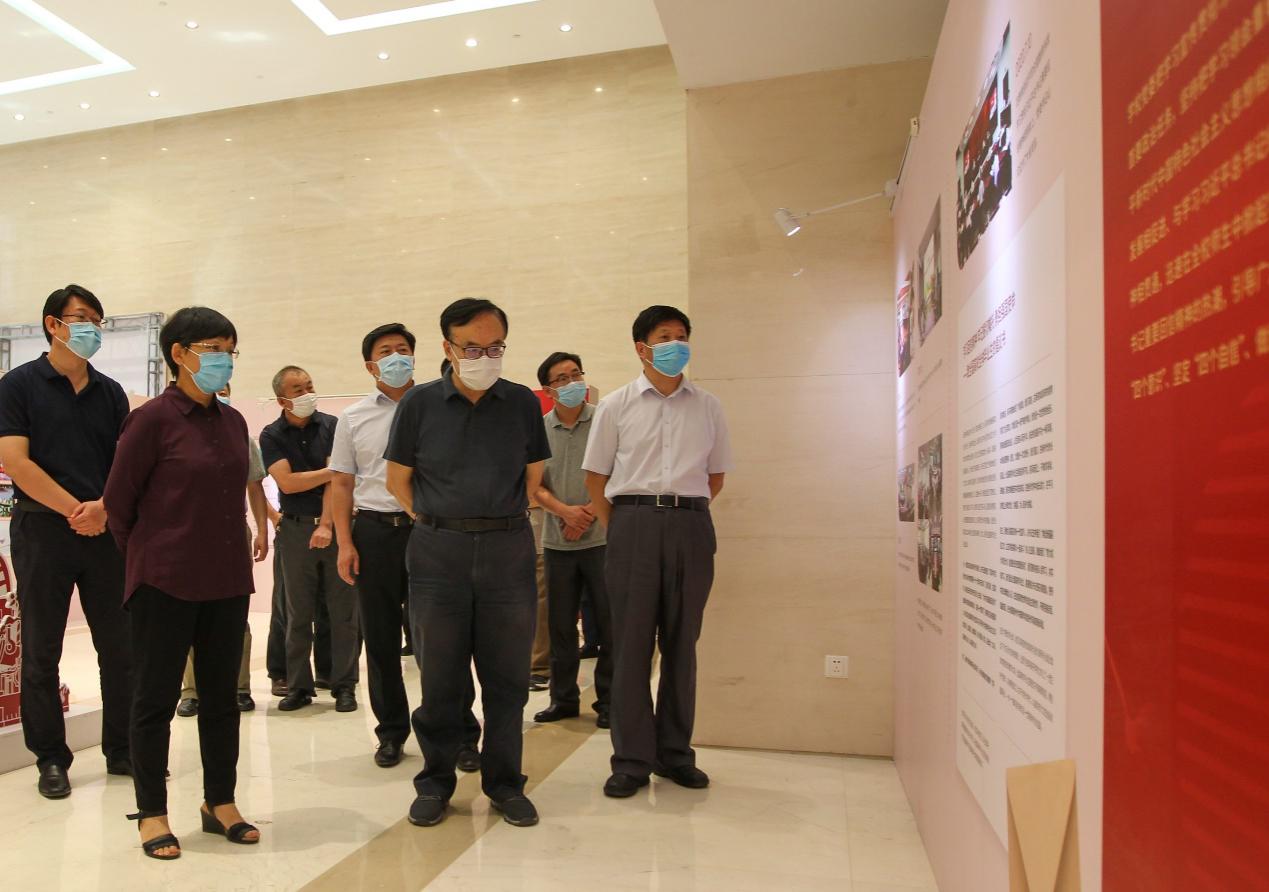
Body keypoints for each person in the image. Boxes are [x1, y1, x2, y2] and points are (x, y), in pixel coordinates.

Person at [385, 297, 550, 829]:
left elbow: (533, 475)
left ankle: (505, 783)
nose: (485, 357)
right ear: (448, 348)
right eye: (473, 348)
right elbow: (397, 480)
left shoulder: (521, 402)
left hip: (507, 552)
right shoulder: (419, 405)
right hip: (438, 555)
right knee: (440, 678)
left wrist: (496, 515)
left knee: (508, 679)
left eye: (495, 347)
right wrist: (436, 520)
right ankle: (435, 783)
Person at [103, 306, 259, 860]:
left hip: (227, 580)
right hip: (164, 582)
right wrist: (153, 557)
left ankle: (220, 803)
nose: (223, 360)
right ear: (179, 353)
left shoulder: (234, 422)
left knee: (221, 699)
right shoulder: (150, 420)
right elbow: (118, 505)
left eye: (229, 350)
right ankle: (152, 813)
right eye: (213, 349)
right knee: (154, 701)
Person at [582, 305, 732, 799]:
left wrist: (681, 515)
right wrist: (624, 526)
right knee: (630, 646)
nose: (675, 344)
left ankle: (675, 754)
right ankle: (631, 760)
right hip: (632, 524)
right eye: (664, 337)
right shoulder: (616, 405)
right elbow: (596, 478)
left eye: (681, 335)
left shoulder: (708, 406)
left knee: (682, 644)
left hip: (691, 524)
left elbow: (716, 476)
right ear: (641, 348)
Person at [0, 284, 134, 800]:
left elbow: (124, 464)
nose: (92, 328)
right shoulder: (18, 385)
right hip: (42, 530)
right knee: (42, 650)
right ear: (53, 324)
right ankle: (51, 758)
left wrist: (103, 509)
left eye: (98, 320)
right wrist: (75, 510)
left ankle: (121, 749)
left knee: (119, 648)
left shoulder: (111, 392)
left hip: (103, 532)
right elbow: (17, 462)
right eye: (81, 318)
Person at [331, 323, 432, 768]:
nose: (396, 358)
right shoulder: (353, 418)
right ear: (371, 366)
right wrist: (345, 543)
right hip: (375, 531)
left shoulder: (436, 405)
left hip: (430, 531)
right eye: (386, 352)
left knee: (441, 637)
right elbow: (341, 483)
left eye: (403, 349)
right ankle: (391, 731)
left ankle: (456, 730)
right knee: (381, 638)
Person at [261, 366, 359, 712]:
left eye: (309, 386)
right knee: (296, 612)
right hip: (294, 530)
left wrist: (328, 525)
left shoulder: (333, 426)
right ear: (282, 400)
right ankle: (298, 686)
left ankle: (344, 685)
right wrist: (331, 471)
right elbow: (287, 483)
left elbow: (340, 482)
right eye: (298, 390)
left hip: (336, 526)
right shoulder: (271, 435)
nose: (307, 394)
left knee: (343, 611)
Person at [176, 383, 270, 717]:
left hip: (232, 532)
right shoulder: (174, 428)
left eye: (225, 387)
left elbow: (255, 485)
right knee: (186, 612)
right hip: (187, 533)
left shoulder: (238, 430)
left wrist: (263, 530)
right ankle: (191, 691)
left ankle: (239, 687)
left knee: (235, 614)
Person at [531, 352, 612, 728]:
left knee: (610, 625)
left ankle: (609, 700)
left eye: (576, 374)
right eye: (562, 378)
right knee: (560, 627)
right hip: (557, 543)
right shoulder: (537, 430)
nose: (572, 382)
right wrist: (565, 512)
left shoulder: (604, 420)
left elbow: (618, 473)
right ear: (549, 390)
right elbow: (532, 486)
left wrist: (587, 513)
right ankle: (562, 699)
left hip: (601, 541)